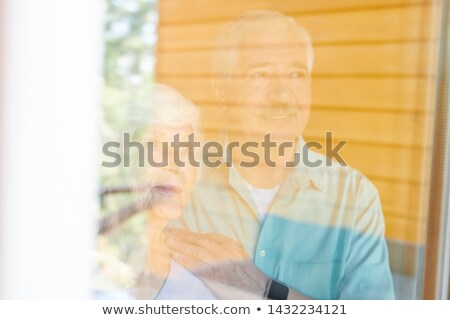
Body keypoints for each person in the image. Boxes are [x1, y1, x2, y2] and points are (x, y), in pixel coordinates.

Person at [164, 11, 395, 299]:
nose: (283, 96)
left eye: (297, 74)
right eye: (260, 74)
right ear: (221, 88)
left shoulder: (355, 197)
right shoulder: (179, 181)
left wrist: (260, 289)